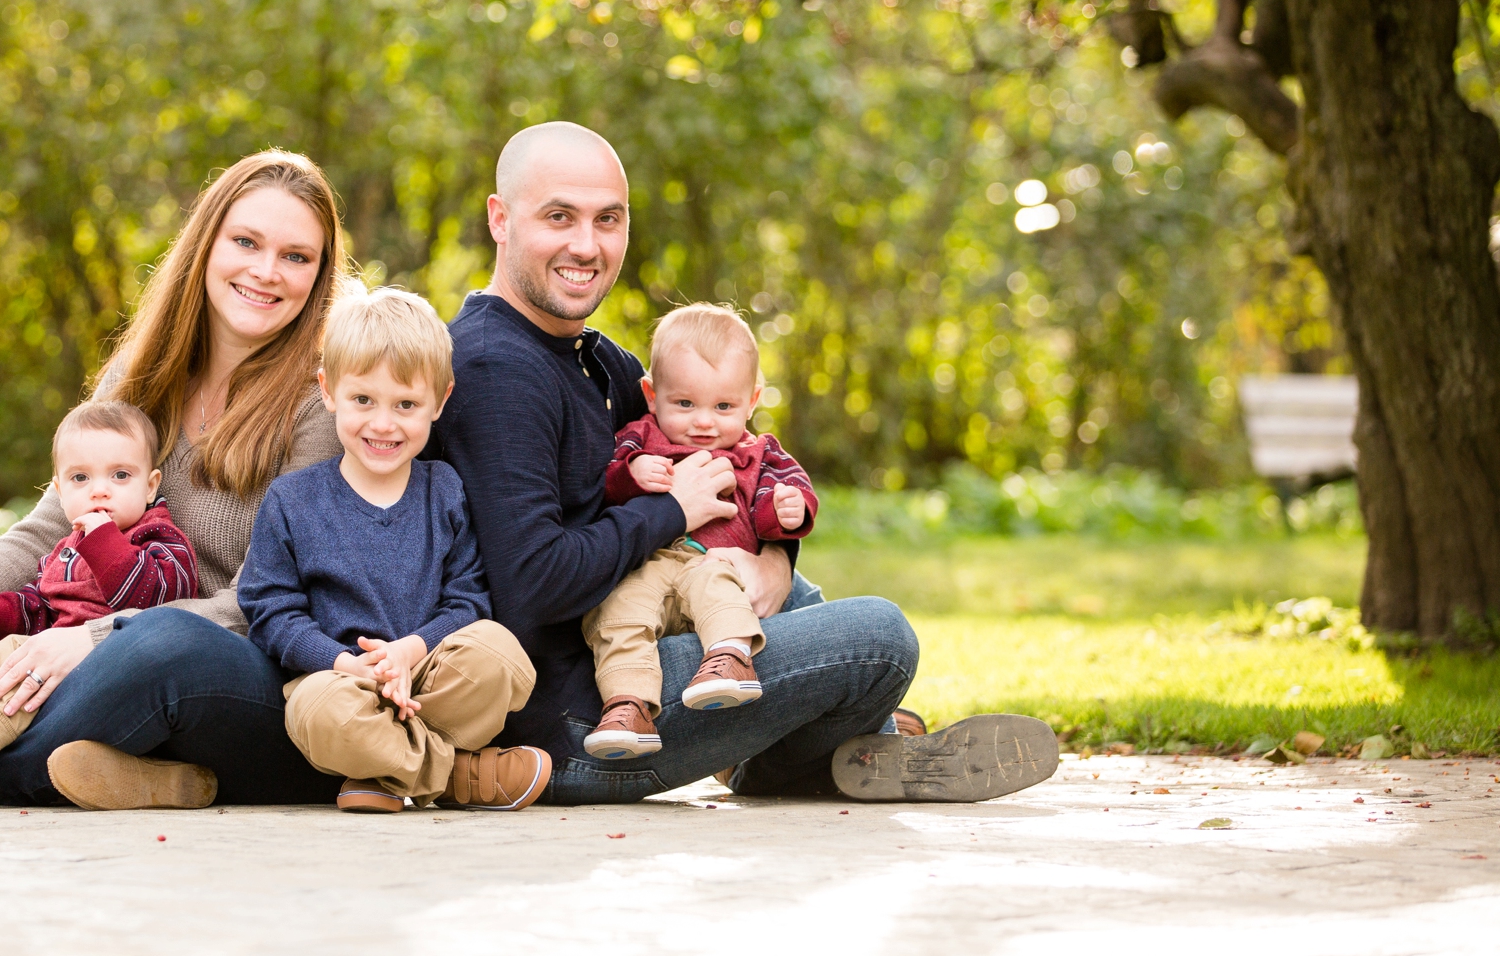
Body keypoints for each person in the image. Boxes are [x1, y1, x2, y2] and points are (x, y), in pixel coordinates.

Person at [426, 121, 1059, 804]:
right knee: (879, 637)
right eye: (559, 217)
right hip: (585, 718)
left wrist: (774, 558)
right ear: (501, 218)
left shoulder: (602, 362)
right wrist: (670, 509)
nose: (587, 244)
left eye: (608, 219)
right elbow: (530, 585)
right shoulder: (494, 368)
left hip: (650, 650)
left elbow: (726, 481)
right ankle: (817, 749)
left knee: (782, 587)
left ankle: (845, 742)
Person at [0, 150, 356, 809]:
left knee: (164, 647)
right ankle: (140, 778)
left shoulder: (320, 405)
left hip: (230, 675)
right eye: (247, 241)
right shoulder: (140, 379)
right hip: (107, 660)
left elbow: (263, 600)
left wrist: (91, 641)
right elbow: (49, 530)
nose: (265, 270)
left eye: (295, 256)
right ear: (206, 245)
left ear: (319, 275)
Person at [238, 287, 546, 813]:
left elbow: (468, 604)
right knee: (316, 714)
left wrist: (410, 650)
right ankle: (458, 775)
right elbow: (271, 613)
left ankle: (382, 773)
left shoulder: (443, 490)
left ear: (440, 402)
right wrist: (347, 664)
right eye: (363, 400)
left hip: (427, 674)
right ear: (329, 390)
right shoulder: (293, 499)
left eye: (406, 405)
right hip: (341, 681)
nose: (383, 424)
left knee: (499, 655)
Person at [0, 399, 198, 790]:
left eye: (120, 475)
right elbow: (38, 605)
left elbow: (155, 597)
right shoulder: (66, 549)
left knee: (22, 689)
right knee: (17, 649)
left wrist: (102, 542)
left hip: (114, 670)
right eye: (80, 479)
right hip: (50, 662)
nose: (100, 491)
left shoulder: (159, 539)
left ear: (150, 486)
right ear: (59, 491)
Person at [581, 302, 817, 760]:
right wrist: (632, 473)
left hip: (712, 562)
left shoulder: (760, 454)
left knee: (719, 585)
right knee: (616, 611)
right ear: (651, 394)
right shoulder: (640, 437)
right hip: (646, 566)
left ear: (752, 400)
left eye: (724, 406)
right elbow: (603, 483)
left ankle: (729, 660)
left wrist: (789, 510)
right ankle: (628, 705)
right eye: (685, 404)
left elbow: (782, 497)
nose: (704, 421)